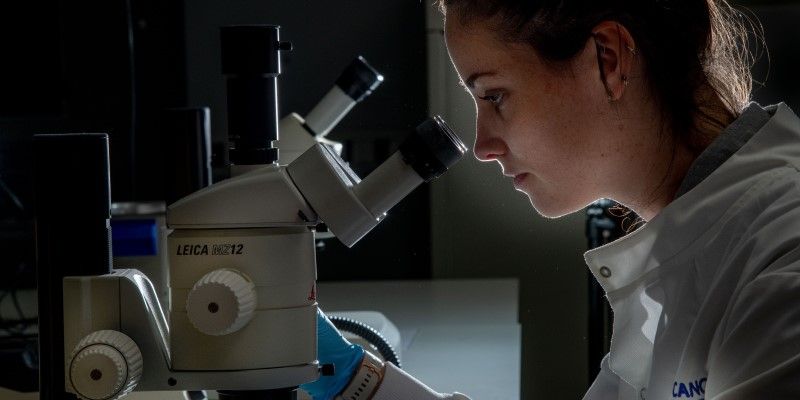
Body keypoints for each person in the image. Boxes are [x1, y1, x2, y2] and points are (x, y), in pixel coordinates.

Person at [302, 0, 800, 399]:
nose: (481, 147)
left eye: (494, 95)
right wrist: (359, 384)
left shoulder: (781, 269)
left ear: (608, 59)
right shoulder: (682, 243)